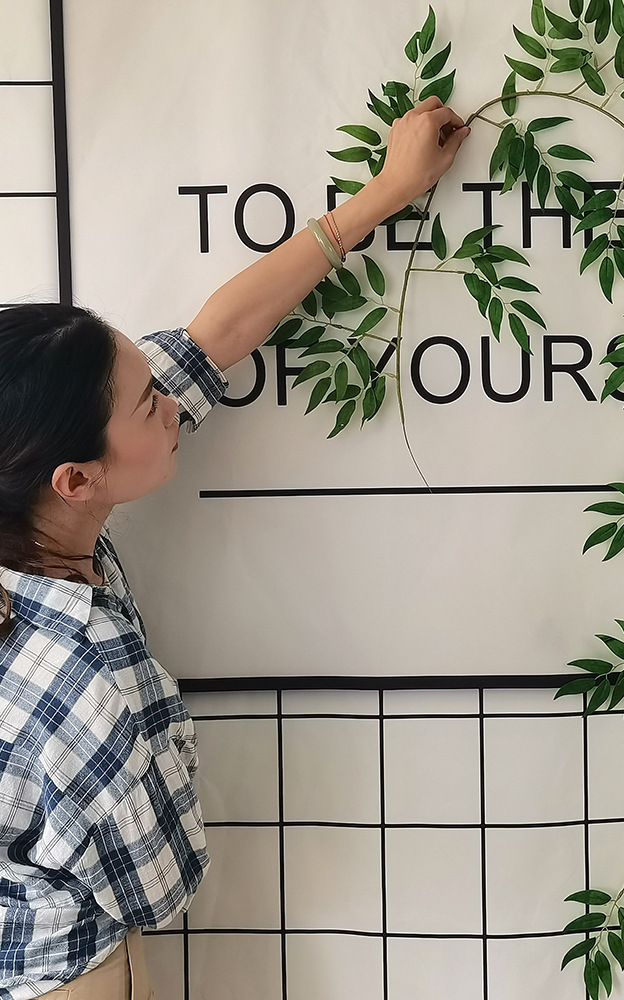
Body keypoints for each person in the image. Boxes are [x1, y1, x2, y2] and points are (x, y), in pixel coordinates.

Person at [0, 96, 470, 999]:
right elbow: (157, 885)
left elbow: (213, 339)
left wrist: (384, 193)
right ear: (74, 480)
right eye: (148, 403)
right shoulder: (80, 674)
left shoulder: (27, 523)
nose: (170, 400)